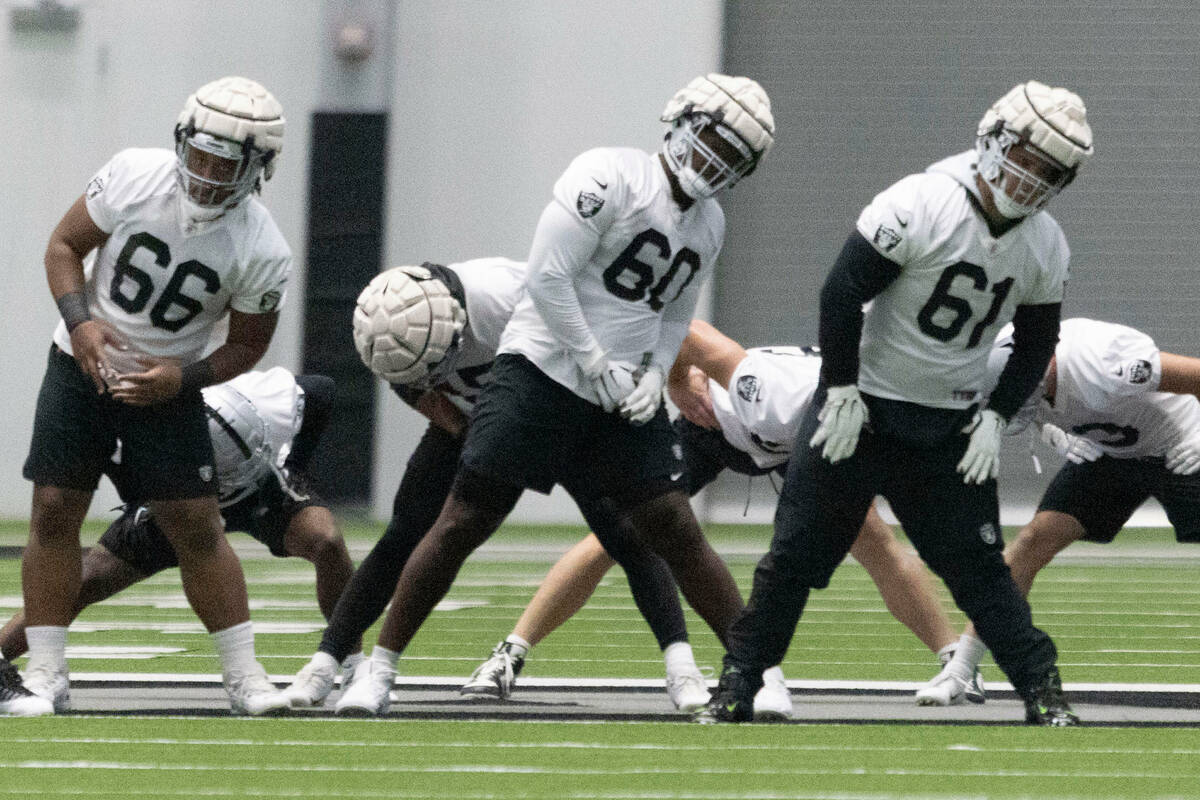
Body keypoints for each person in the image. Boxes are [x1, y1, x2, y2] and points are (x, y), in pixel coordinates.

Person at [333, 74, 776, 716]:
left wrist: (654, 373)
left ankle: (756, 671)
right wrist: (591, 356)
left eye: (734, 156)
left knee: (672, 527)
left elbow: (675, 310)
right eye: (713, 139)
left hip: (618, 392)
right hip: (540, 370)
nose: (716, 160)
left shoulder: (709, 223)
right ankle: (379, 669)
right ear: (680, 122)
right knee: (464, 520)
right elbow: (548, 274)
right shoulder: (609, 175)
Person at [698, 80, 1093, 726]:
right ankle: (738, 682)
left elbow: (1038, 340)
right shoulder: (920, 201)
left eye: (1050, 169)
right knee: (794, 556)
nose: (1032, 177)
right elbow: (841, 293)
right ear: (995, 140)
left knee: (979, 571)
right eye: (1027, 156)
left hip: (948, 424)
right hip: (863, 413)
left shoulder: (1045, 243)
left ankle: (1042, 689)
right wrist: (844, 388)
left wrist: (996, 414)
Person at [461, 318, 983, 712]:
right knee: (621, 534)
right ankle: (511, 652)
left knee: (875, 541)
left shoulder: (878, 422)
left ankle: (955, 663)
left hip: (800, 446)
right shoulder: (774, 390)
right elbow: (685, 330)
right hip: (716, 427)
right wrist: (673, 380)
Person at [284, 259, 707, 713]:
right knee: (407, 532)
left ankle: (682, 668)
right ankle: (328, 663)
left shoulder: (504, 300)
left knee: (625, 532)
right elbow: (408, 380)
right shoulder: (392, 325)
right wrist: (456, 424)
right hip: (478, 415)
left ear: (456, 327)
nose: (429, 374)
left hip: (564, 405)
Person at [20, 76, 292, 715]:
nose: (206, 172)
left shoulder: (262, 246)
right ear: (181, 141)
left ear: (258, 168)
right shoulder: (133, 175)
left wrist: (182, 378)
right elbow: (63, 248)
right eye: (199, 154)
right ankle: (45, 672)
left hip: (166, 386)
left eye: (226, 163)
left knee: (196, 524)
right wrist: (82, 322)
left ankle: (245, 677)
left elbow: (248, 345)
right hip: (78, 365)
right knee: (56, 510)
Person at [1, 369, 355, 672]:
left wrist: (294, 467)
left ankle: (352, 663)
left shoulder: (269, 399)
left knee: (326, 540)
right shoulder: (139, 438)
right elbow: (115, 472)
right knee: (82, 581)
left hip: (259, 486)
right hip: (178, 497)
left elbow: (322, 391)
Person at [924, 317, 1200, 695]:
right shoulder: (1003, 361)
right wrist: (1051, 429)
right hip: (1111, 451)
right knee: (1033, 540)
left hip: (1182, 441)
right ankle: (961, 669)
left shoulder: (1104, 362)